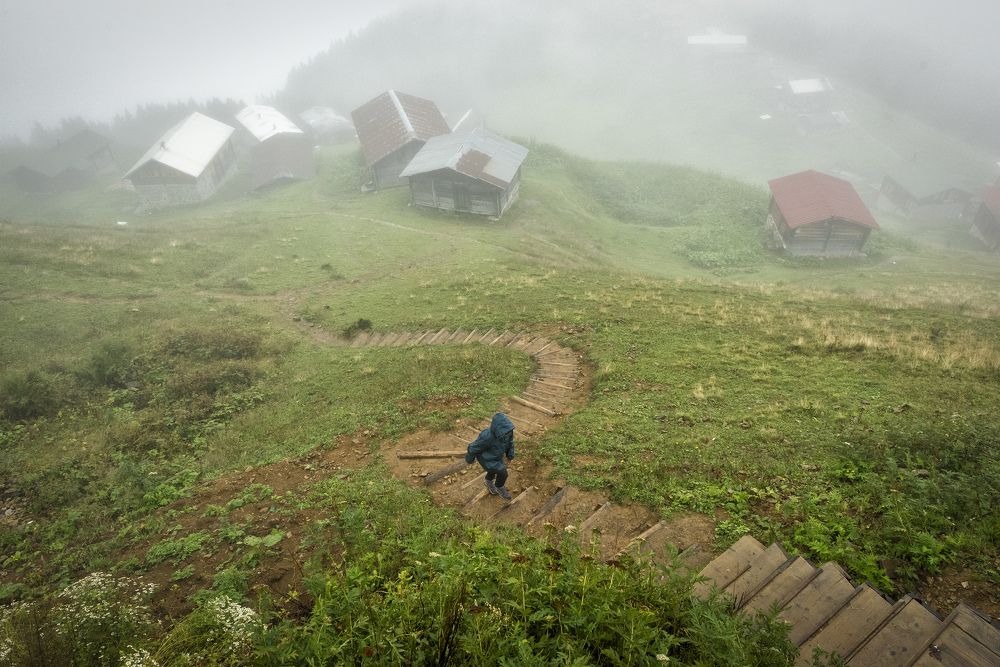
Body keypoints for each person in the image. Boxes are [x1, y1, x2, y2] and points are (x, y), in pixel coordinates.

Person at [466, 413, 515, 501]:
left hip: (497, 456)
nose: (507, 434)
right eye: (505, 431)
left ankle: (488, 481)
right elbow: (473, 447)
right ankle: (499, 486)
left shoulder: (508, 432)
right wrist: (470, 459)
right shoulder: (487, 436)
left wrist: (510, 455)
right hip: (487, 459)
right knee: (503, 473)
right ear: (496, 428)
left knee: (493, 470)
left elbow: (510, 443)